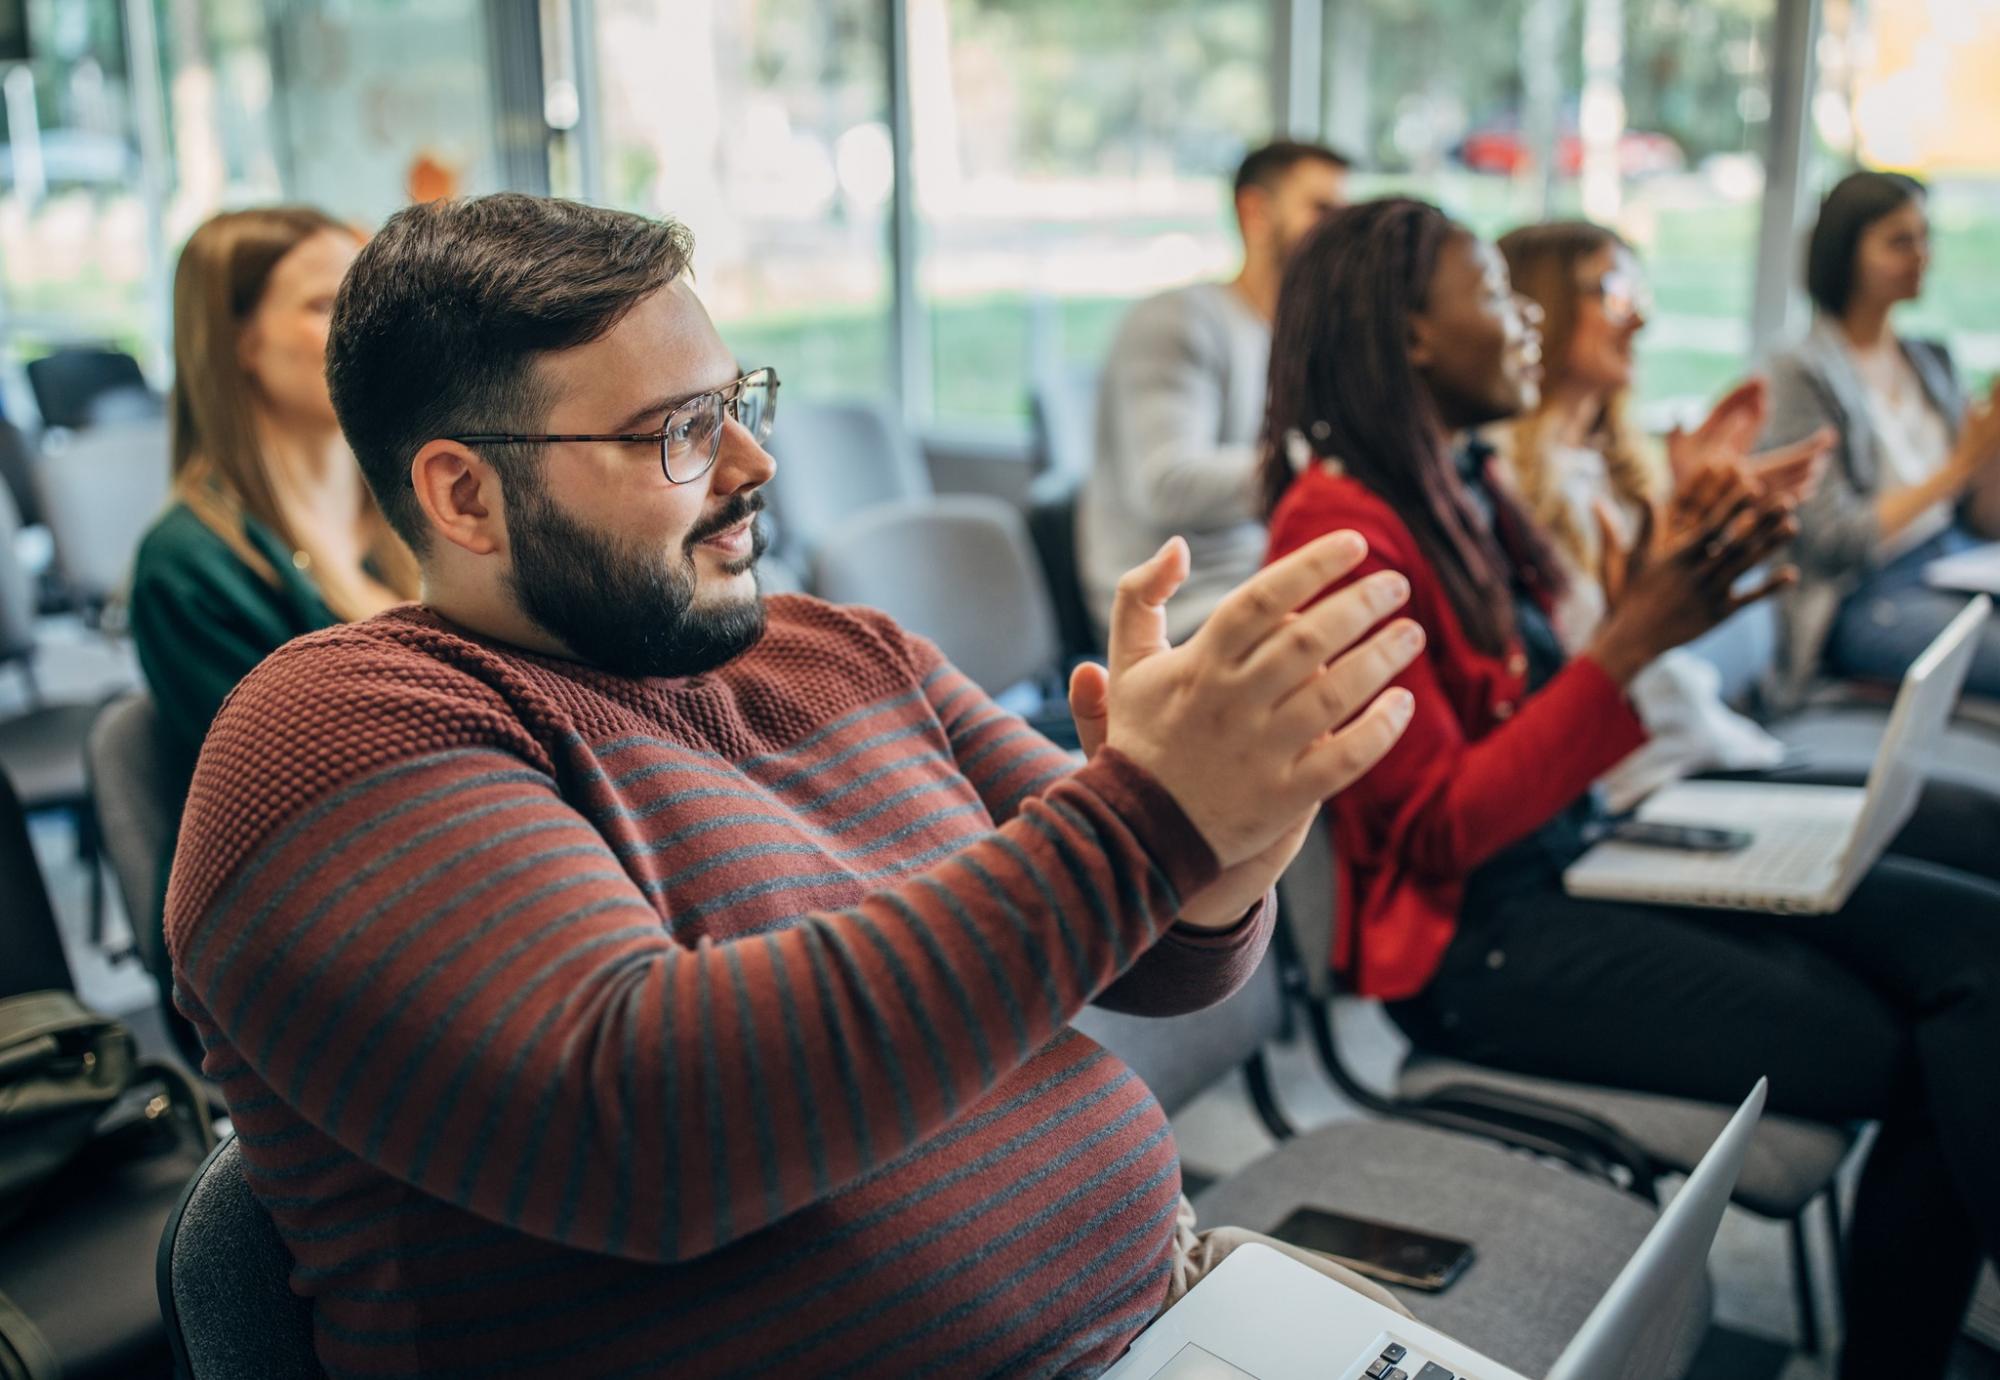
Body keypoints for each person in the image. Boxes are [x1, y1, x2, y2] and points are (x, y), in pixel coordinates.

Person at [164, 193, 1428, 1377]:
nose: (753, 466)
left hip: (1175, 1302)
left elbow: (1154, 954)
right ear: (465, 494)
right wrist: (1153, 819)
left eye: (737, 402)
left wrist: (1234, 834)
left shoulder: (833, 647)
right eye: (679, 431)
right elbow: (653, 1130)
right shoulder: (338, 730)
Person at [1259, 196, 2000, 1380]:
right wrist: (1629, 644)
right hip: (1481, 950)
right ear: (1407, 335)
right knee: (1936, 1043)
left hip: (1590, 853)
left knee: (1974, 948)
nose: (1524, 328)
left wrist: (1673, 570)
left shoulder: (1459, 482)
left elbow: (1574, 709)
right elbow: (1440, 829)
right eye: (1494, 299)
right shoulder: (1336, 531)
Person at [128, 207, 418, 1035]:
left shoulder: (411, 516)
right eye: (329, 305)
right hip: (290, 941)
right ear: (239, 344)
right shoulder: (190, 564)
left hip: (419, 873)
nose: (372, 327)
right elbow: (313, 817)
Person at [1490, 220, 1834, 809]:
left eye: (1638, 295)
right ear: (1543, 305)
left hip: (1694, 744)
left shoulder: (1614, 464)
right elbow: (1577, 657)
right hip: (1633, 782)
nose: (1640, 319)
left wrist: (1704, 511)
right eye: (1615, 293)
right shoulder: (1497, 478)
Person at [1079, 139, 1351, 644]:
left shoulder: (1286, 337)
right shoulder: (1181, 321)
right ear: (1256, 213)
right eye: (1322, 209)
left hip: (1251, 578)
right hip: (1175, 612)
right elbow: (1168, 483)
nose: (1340, 230)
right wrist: (1323, 462)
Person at [1763, 170, 2000, 706]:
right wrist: (1959, 467)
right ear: (1846, 252)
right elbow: (1831, 541)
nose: (1922, 256)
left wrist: (1989, 455)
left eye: (1924, 237)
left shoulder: (1929, 360)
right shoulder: (1802, 371)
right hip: (1868, 594)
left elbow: (1982, 518)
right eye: (1899, 241)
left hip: (1957, 559)